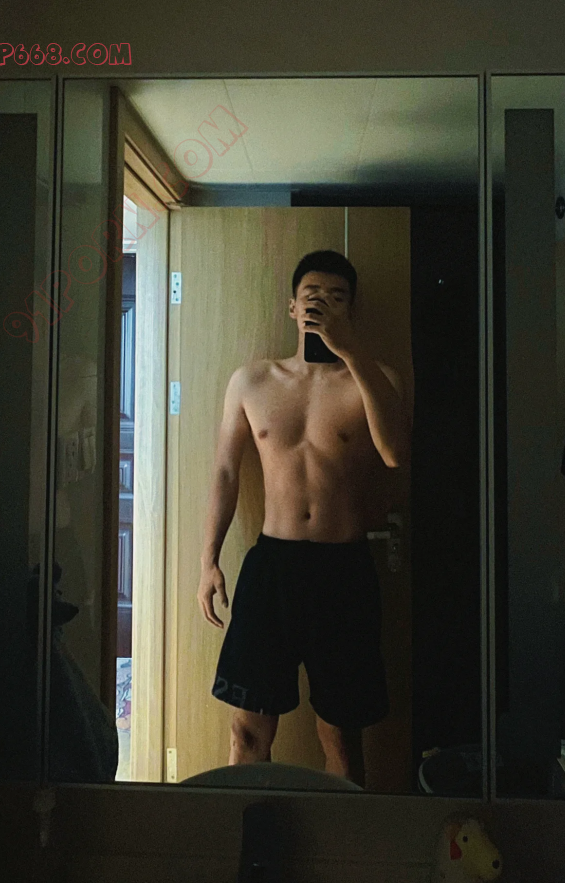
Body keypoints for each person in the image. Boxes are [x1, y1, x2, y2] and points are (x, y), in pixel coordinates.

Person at [197, 249, 411, 787]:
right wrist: (208, 560)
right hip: (271, 566)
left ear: (351, 311)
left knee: (341, 738)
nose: (322, 307)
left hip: (344, 569)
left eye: (337, 299)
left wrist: (351, 350)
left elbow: (395, 455)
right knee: (246, 733)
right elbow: (224, 472)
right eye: (312, 297)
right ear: (293, 307)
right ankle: (246, 828)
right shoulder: (251, 381)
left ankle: (339, 837)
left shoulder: (375, 378)